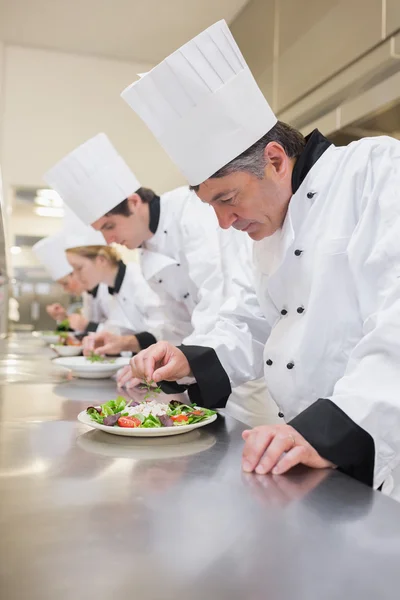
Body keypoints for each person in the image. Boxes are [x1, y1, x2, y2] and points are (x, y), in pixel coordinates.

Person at [120, 19, 400, 494]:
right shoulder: (273, 221)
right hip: (310, 461)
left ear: (274, 160)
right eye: (212, 207)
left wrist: (329, 432)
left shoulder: (375, 172)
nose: (224, 222)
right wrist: (189, 359)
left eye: (227, 200)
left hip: (378, 456)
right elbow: (253, 318)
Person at [44, 134, 277, 427]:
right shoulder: (146, 251)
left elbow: (220, 300)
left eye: (110, 226)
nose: (110, 240)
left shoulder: (193, 213)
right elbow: (171, 323)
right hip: (195, 369)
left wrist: (184, 360)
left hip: (242, 372)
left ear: (134, 202)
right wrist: (150, 360)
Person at [65, 244, 164, 352]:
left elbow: (163, 331)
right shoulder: (109, 287)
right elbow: (118, 330)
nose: (76, 276)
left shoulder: (140, 279)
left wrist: (124, 342)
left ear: (102, 260)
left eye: (79, 268)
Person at [33, 230, 110, 333]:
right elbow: (81, 335)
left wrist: (87, 326)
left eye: (65, 283)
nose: (66, 290)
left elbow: (123, 334)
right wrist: (64, 318)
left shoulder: (108, 289)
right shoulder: (88, 295)